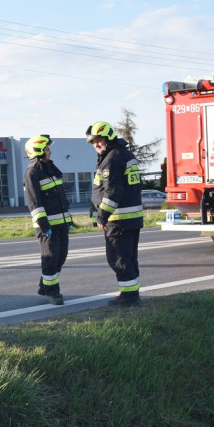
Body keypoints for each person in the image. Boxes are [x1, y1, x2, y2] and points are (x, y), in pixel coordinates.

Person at [87, 121, 144, 307]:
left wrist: (102, 215)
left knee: (118, 258)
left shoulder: (111, 158)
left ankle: (129, 298)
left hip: (118, 219)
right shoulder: (124, 154)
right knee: (129, 258)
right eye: (93, 142)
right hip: (131, 219)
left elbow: (113, 191)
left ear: (109, 138)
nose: (96, 145)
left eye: (100, 140)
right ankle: (130, 293)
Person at [23, 135, 72, 305]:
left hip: (61, 223)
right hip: (47, 226)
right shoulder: (32, 172)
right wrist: (44, 225)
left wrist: (68, 220)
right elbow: (34, 202)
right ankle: (53, 292)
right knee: (50, 258)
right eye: (47, 149)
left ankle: (44, 285)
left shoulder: (50, 169)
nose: (50, 152)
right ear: (38, 151)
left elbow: (60, 197)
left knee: (61, 256)